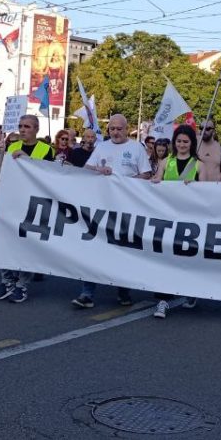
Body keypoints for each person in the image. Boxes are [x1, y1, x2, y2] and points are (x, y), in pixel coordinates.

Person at [70, 114, 145, 310]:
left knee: (121, 249)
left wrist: (123, 182)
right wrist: (98, 170)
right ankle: (87, 293)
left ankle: (123, 290)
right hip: (102, 206)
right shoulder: (102, 146)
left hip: (126, 208)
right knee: (94, 246)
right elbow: (86, 169)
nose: (115, 132)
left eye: (119, 128)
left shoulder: (137, 148)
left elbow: (146, 174)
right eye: (112, 129)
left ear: (127, 129)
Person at [0, 115, 54, 303]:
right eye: (21, 126)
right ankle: (7, 281)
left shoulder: (46, 150)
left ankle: (21, 285)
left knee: (27, 245)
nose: (23, 130)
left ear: (36, 129)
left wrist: (28, 160)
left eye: (27, 126)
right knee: (3, 240)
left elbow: (49, 177)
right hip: (10, 201)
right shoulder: (12, 147)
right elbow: (3, 177)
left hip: (32, 204)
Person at [151, 124, 202, 318]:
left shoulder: (199, 164)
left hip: (190, 220)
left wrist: (197, 185)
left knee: (186, 258)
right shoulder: (166, 162)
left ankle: (191, 290)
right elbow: (157, 179)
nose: (182, 144)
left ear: (191, 143)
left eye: (185, 141)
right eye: (179, 141)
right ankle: (163, 300)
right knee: (166, 258)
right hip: (167, 218)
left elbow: (209, 190)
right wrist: (155, 182)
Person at [196, 117, 221, 182]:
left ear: (214, 131)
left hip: (215, 188)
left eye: (207, 129)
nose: (204, 131)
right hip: (197, 189)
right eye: (201, 128)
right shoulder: (193, 147)